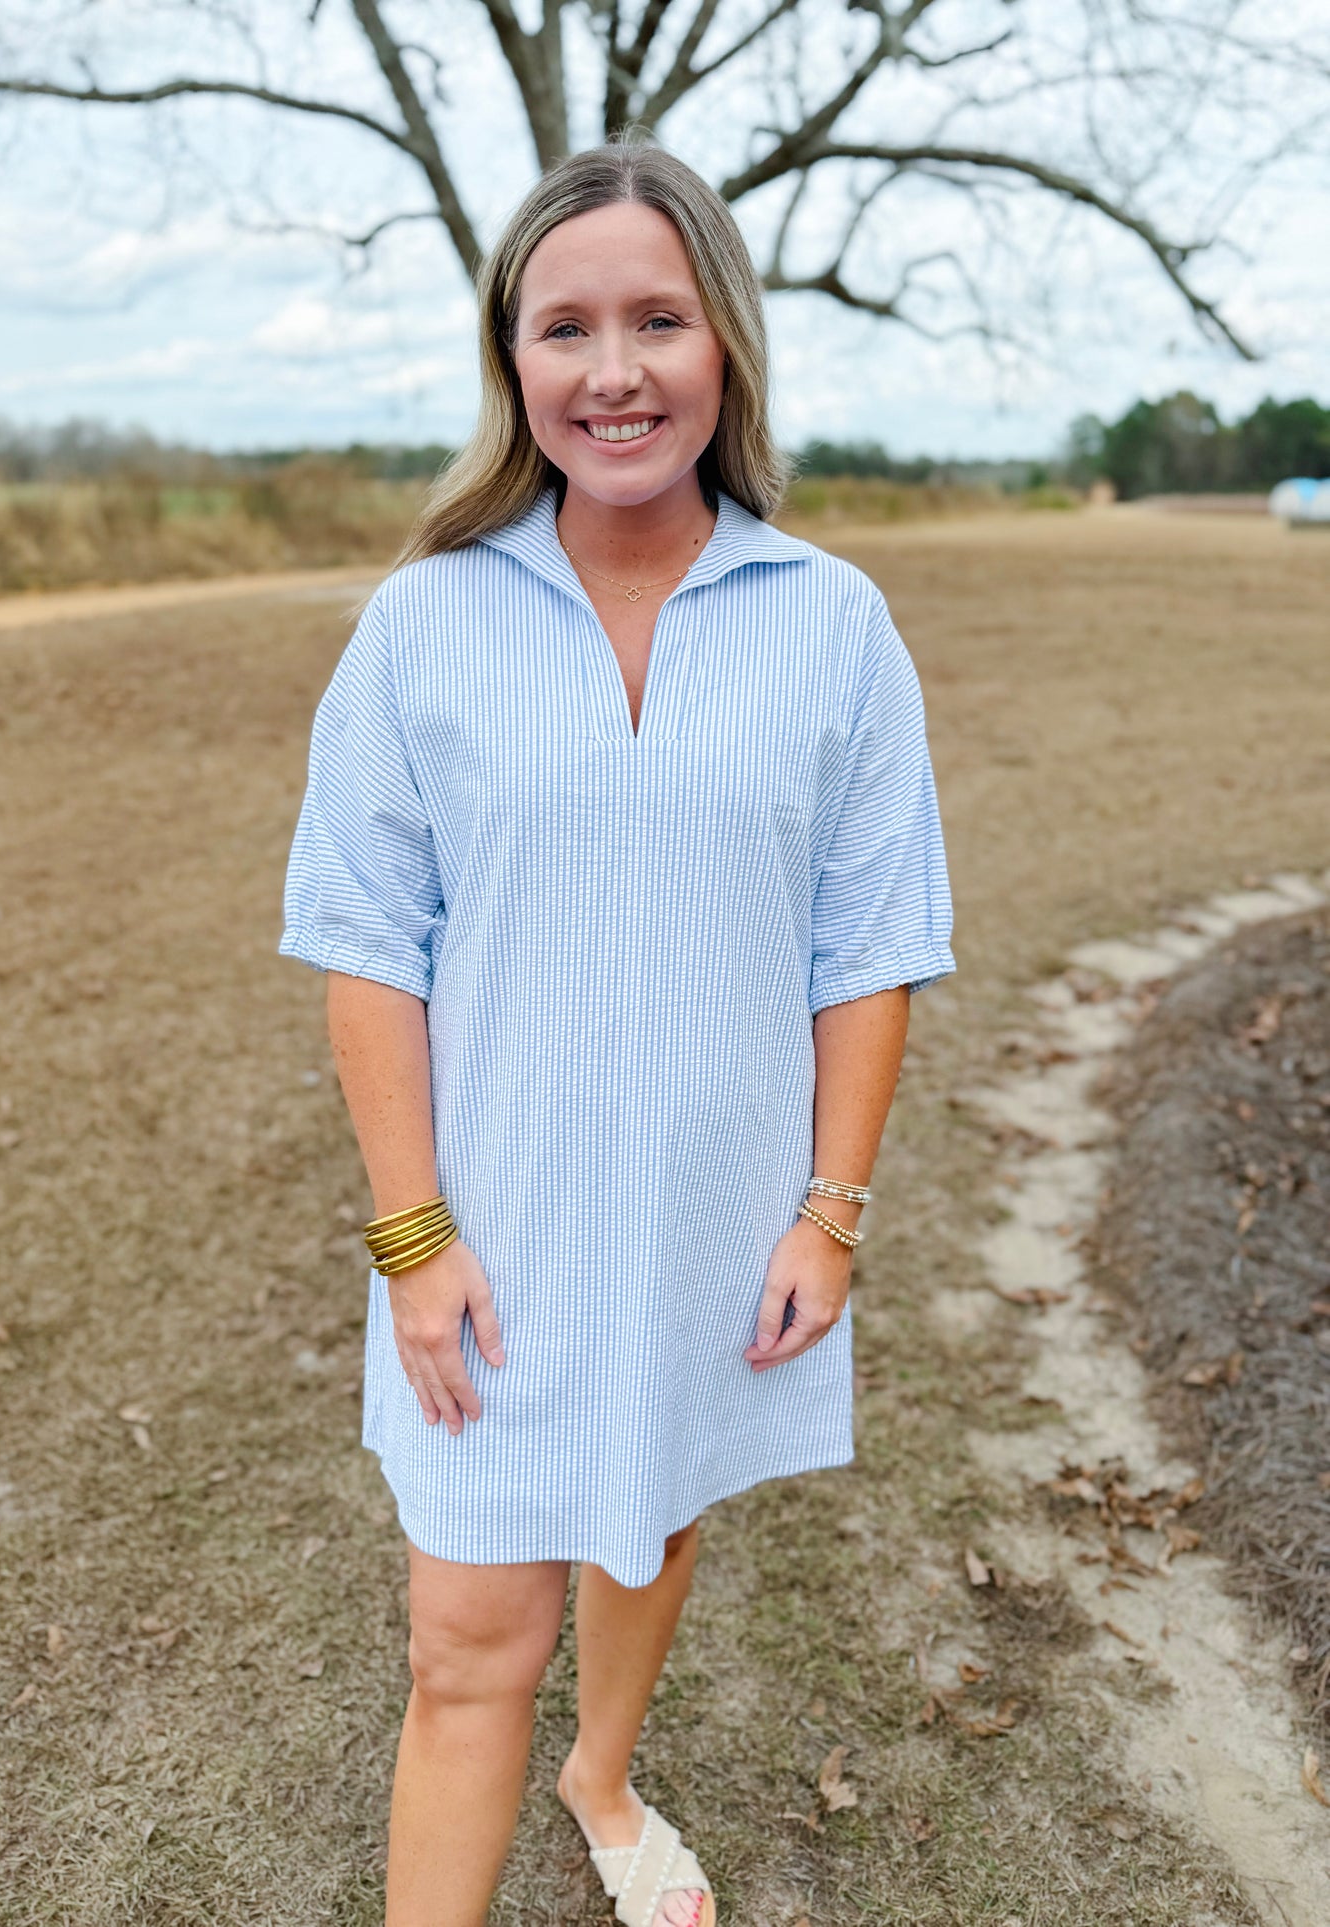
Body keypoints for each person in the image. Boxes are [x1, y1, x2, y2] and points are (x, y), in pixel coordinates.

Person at [279, 132, 954, 1927]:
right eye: (564, 326)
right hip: (481, 1241)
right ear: (513, 362)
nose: (613, 370)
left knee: (649, 1514)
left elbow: (868, 942)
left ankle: (603, 1773)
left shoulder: (832, 625)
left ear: (723, 344)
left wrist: (828, 1207)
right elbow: (364, 942)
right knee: (465, 1645)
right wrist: (414, 1240)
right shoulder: (423, 624)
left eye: (656, 319)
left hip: (717, 1218)